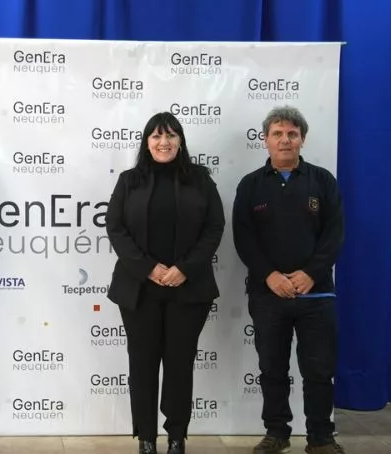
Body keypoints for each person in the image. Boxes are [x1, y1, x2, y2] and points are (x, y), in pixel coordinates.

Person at [106, 112, 225, 454]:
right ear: (147, 143)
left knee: (179, 365)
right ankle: (146, 438)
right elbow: (115, 227)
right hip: (139, 290)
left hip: (188, 289)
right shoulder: (129, 181)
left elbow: (214, 227)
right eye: (157, 136)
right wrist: (148, 268)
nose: (164, 142)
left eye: (171, 135)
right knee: (142, 365)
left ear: (180, 141)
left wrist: (185, 268)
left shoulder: (200, 179)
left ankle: (176, 437)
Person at [233, 106, 345, 454]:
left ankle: (321, 438)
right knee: (272, 369)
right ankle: (277, 432)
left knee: (318, 371)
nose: (285, 140)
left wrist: (311, 273)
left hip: (316, 295)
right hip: (268, 295)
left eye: (292, 134)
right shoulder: (251, 185)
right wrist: (269, 276)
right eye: (278, 134)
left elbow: (334, 233)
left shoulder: (323, 181)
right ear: (265, 140)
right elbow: (243, 238)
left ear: (302, 140)